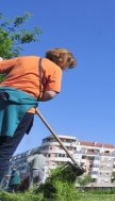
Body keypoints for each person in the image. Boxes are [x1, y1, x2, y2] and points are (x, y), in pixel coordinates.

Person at [0, 48, 77, 182]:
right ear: (64, 62)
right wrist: (34, 95)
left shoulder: (25, 59)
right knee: (4, 151)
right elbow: (51, 93)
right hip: (22, 107)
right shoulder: (55, 69)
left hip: (2, 97)